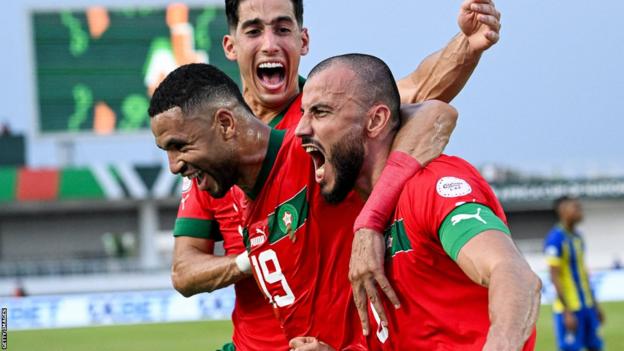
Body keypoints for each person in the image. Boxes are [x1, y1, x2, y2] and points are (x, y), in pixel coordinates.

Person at [171, 0, 503, 349]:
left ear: (303, 40)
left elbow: (424, 100)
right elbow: (183, 270)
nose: (270, 44)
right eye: (254, 31)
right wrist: (251, 259)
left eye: (283, 29)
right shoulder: (212, 159)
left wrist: (467, 43)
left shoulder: (333, 125)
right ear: (230, 45)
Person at [149, 63, 456, 350]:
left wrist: (369, 223)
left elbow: (435, 114)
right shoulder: (248, 205)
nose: (173, 166)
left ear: (226, 124)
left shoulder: (306, 152)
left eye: (180, 146)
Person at [293, 54, 541, 350]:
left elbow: (513, 274)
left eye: (320, 113)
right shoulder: (359, 219)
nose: (301, 129)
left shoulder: (432, 185)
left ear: (375, 121)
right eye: (304, 113)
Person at [544, 196, 605, 351]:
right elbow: (554, 276)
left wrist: (596, 305)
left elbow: (583, 272)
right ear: (563, 211)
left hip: (587, 306)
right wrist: (567, 311)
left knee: (596, 346)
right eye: (576, 208)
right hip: (571, 308)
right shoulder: (555, 239)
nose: (580, 211)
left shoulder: (578, 237)